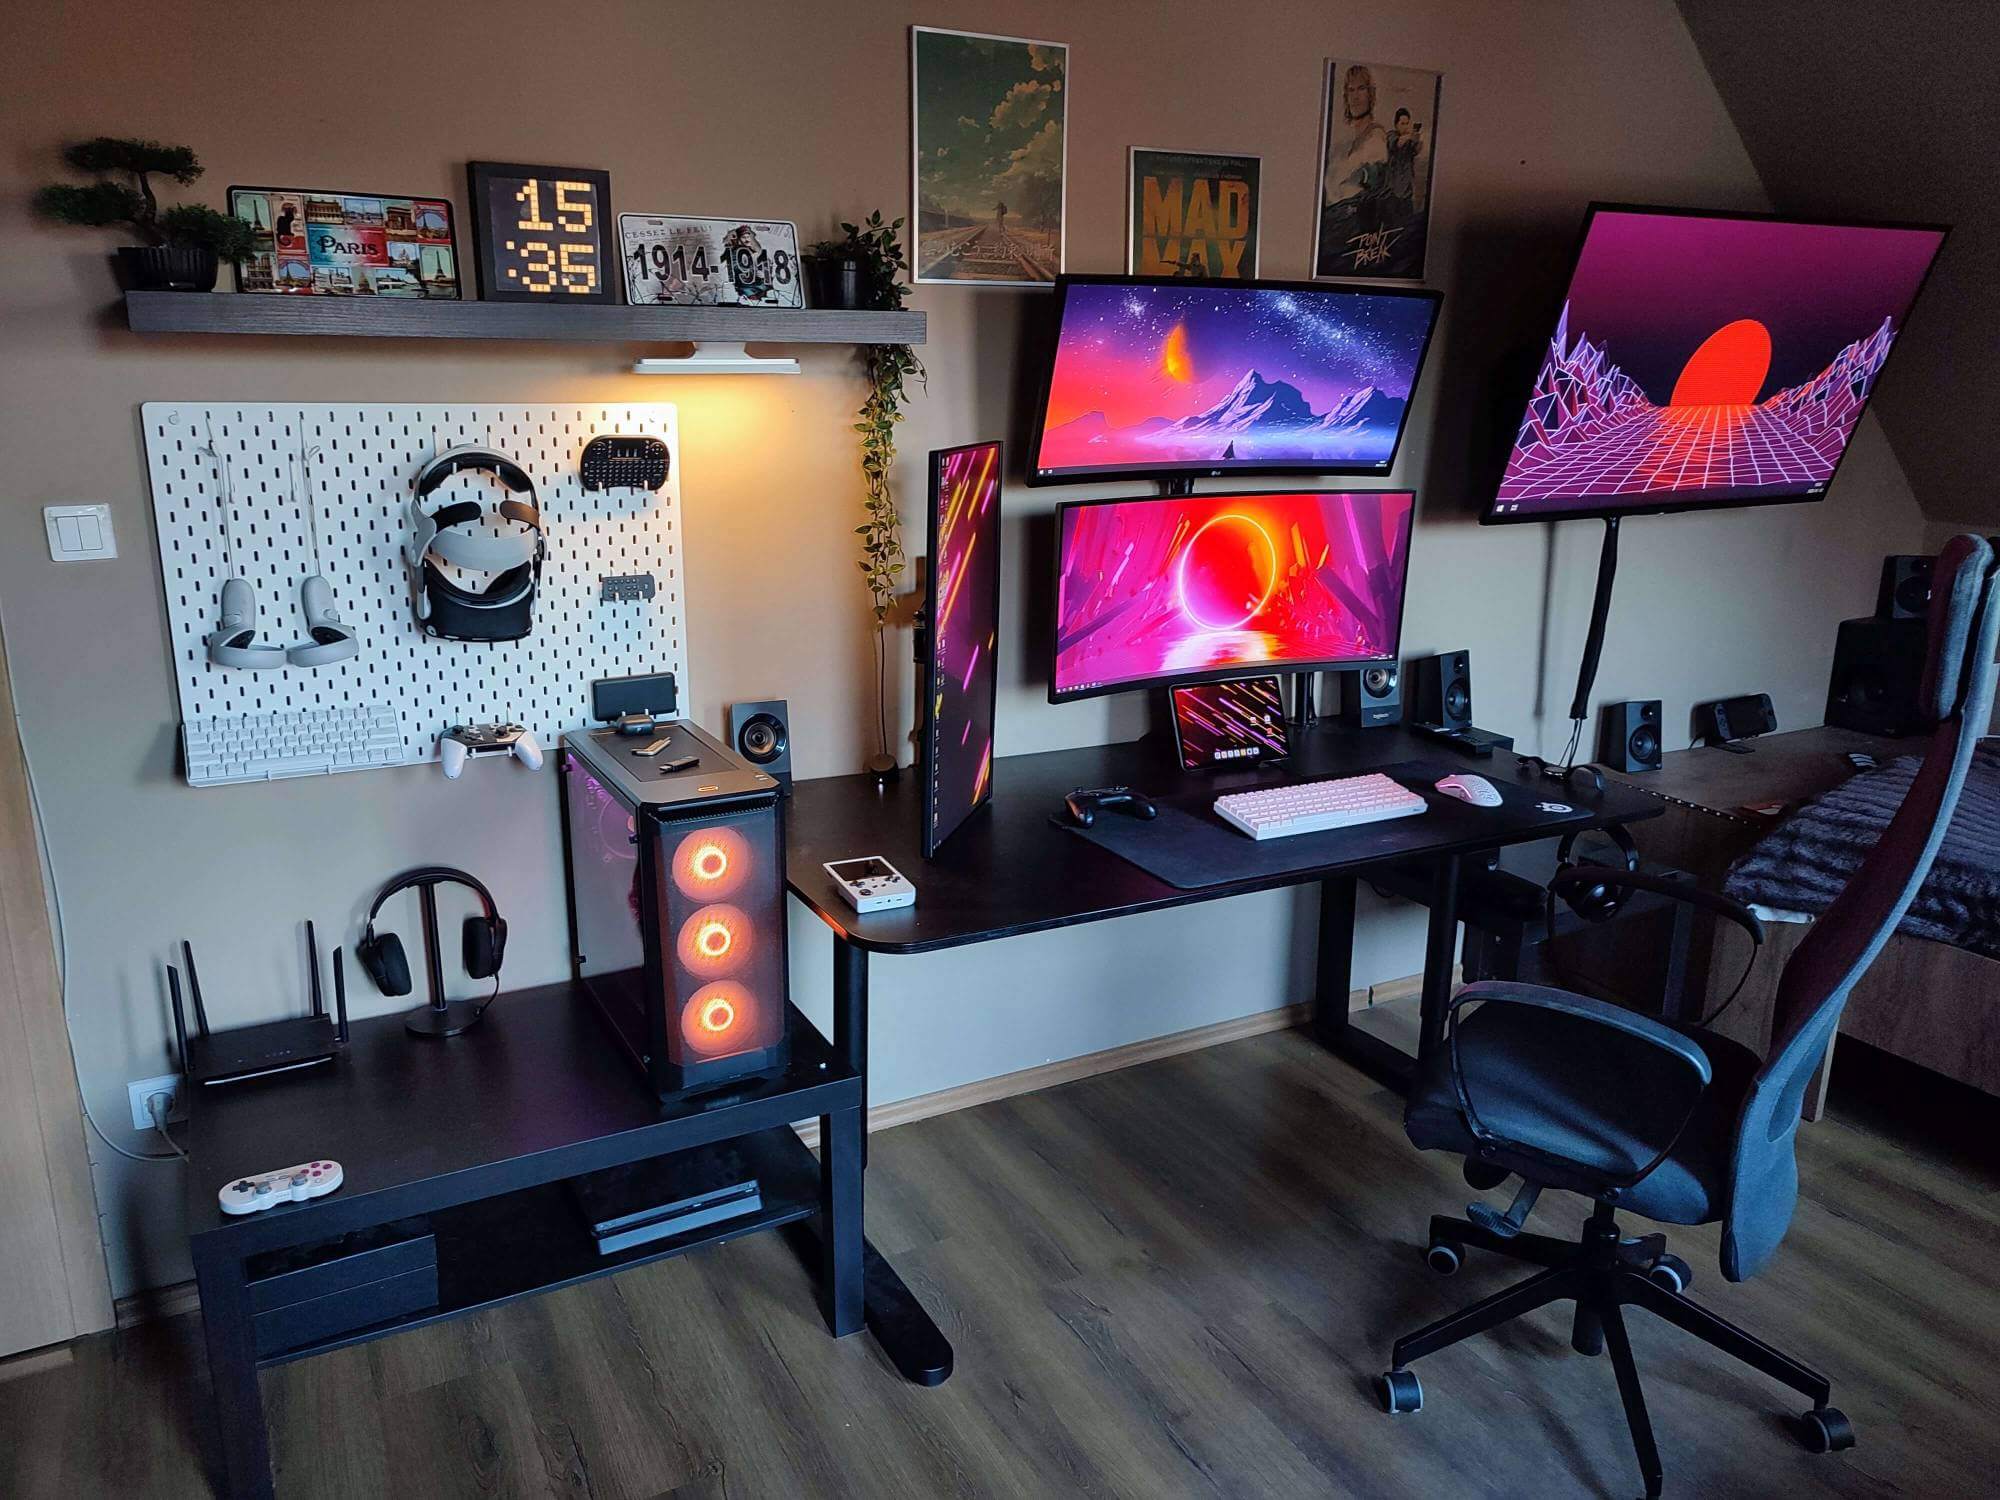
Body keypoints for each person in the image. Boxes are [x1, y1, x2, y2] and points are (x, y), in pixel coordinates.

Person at [1319, 65, 1388, 270]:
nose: (1355, 97)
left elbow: (1374, 182)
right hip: (1332, 223)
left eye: (1361, 89)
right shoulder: (1342, 139)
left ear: (1370, 94)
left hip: (1352, 225)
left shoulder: (1376, 137)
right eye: (1351, 90)